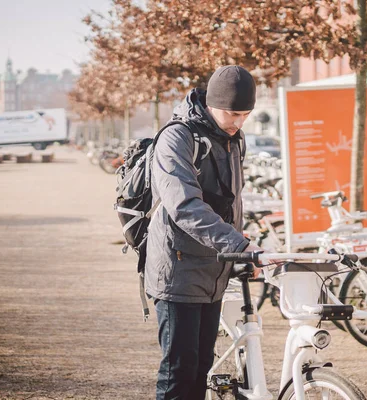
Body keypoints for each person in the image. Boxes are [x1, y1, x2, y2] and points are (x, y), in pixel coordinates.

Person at [145, 65, 263, 400]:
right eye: (232, 114)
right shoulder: (177, 138)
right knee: (178, 371)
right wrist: (239, 245)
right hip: (177, 271)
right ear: (212, 104)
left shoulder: (233, 140)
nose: (238, 123)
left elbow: (231, 204)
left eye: (246, 114)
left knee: (201, 369)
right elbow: (184, 206)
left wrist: (242, 249)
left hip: (213, 271)